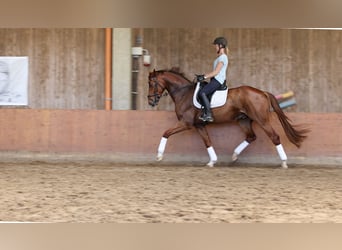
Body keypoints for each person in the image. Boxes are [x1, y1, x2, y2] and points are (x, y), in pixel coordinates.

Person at [197, 37, 229, 122]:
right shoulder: (219, 58)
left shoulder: (223, 57)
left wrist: (204, 77)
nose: (215, 47)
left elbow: (216, 72)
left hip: (218, 81)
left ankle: (208, 114)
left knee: (202, 92)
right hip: (215, 80)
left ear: (220, 46)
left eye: (216, 46)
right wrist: (203, 76)